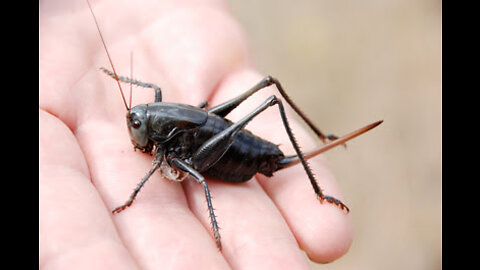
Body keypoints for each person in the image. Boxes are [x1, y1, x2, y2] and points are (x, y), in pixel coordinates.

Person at [40, 0, 353, 268]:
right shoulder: (156, 107)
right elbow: (158, 97)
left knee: (267, 93)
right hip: (206, 134)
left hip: (229, 152)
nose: (133, 129)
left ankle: (318, 175)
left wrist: (133, 198)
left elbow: (200, 179)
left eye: (136, 125)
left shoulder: (161, 131)